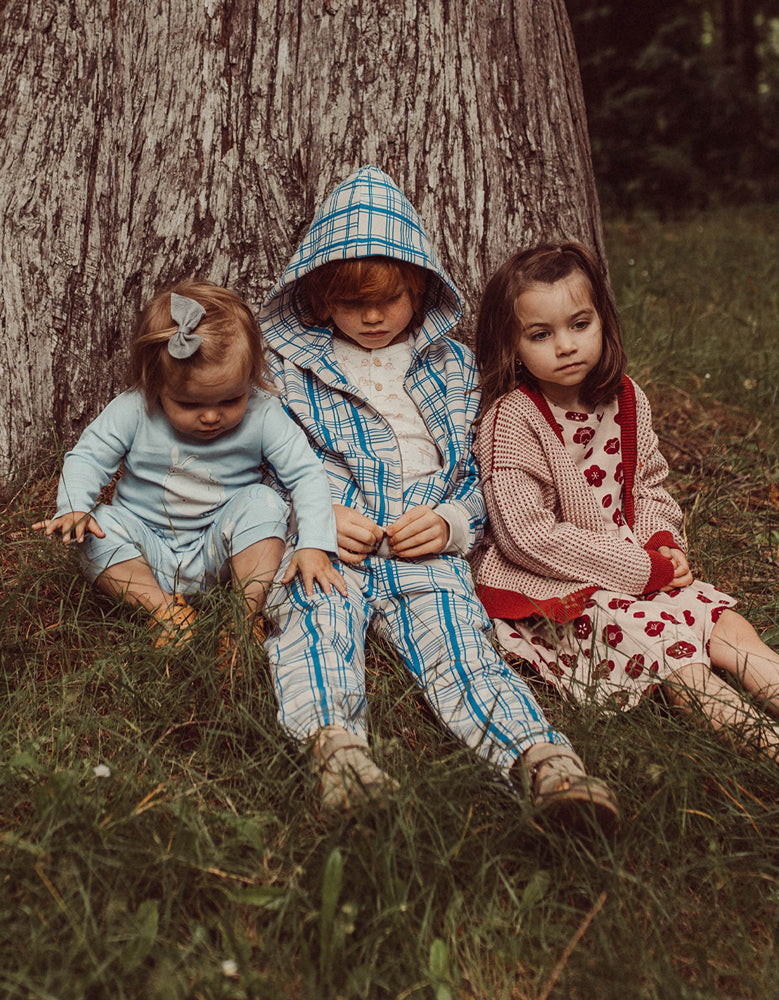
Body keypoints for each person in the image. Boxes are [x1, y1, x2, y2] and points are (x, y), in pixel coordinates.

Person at [470, 241, 779, 765]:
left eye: (579, 323)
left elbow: (649, 488)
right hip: (558, 592)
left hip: (637, 569)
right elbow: (528, 536)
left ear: (603, 322)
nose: (566, 345)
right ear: (512, 345)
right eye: (541, 335)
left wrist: (663, 542)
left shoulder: (626, 397)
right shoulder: (512, 421)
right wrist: (643, 570)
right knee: (677, 662)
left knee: (728, 626)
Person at [257, 167, 619, 825]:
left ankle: (542, 763)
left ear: (419, 288)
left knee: (459, 642)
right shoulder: (289, 369)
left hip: (423, 539)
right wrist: (313, 515)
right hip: (330, 540)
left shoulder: (451, 368)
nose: (371, 317)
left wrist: (454, 523)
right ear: (316, 297)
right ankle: (338, 755)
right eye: (348, 302)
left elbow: (486, 473)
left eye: (388, 300)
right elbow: (263, 463)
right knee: (314, 625)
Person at [33, 280, 344, 649]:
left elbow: (306, 472)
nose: (211, 416)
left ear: (250, 380)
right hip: (144, 551)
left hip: (220, 552)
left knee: (265, 504)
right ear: (156, 385)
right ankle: (163, 610)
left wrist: (314, 544)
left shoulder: (263, 414)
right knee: (95, 529)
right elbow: (88, 456)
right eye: (190, 404)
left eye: (231, 399)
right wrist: (74, 509)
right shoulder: (135, 409)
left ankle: (242, 617)